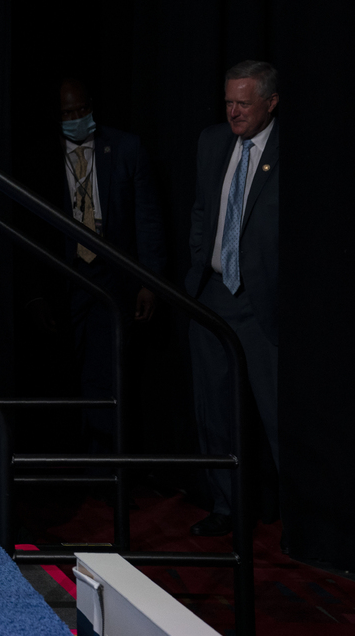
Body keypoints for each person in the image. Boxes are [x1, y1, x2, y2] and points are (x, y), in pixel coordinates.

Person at [185, 61, 280, 537]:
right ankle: (226, 508)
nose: (234, 112)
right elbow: (203, 209)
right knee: (215, 412)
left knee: (276, 413)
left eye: (244, 103)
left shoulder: (288, 148)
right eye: (228, 102)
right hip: (213, 294)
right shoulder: (212, 141)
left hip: (264, 302)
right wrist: (198, 265)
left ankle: (297, 519)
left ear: (270, 102)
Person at [55, 79, 165, 454]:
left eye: (81, 110)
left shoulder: (124, 148)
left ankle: (108, 469)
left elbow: (147, 219)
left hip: (112, 276)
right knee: (70, 374)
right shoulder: (42, 155)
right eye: (67, 114)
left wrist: (149, 281)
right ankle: (78, 463)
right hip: (67, 278)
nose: (76, 119)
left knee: (109, 375)